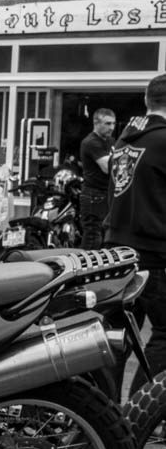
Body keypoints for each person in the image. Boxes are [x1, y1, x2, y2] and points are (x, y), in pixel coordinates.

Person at [109, 77, 166, 393]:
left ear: (148, 100)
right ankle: (142, 410)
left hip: (118, 252)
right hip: (155, 253)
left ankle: (103, 416)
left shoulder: (124, 141)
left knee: (119, 336)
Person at [79, 107, 115, 249]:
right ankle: (86, 270)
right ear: (96, 123)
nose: (111, 127)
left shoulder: (111, 140)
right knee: (93, 237)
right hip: (94, 195)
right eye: (107, 123)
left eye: (113, 123)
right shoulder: (91, 142)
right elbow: (108, 167)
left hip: (106, 193)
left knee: (106, 237)